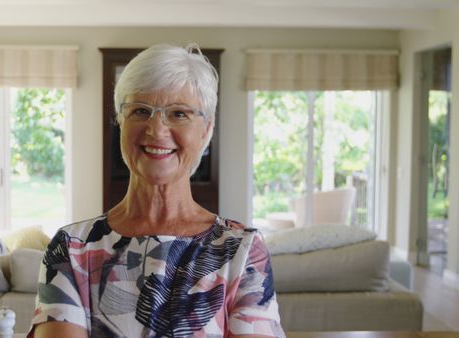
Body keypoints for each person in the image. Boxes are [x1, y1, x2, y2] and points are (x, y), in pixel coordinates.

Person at [29, 43, 285, 338]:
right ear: (120, 121)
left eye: (178, 114)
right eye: (140, 110)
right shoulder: (71, 249)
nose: (156, 129)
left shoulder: (241, 250)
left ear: (206, 130)